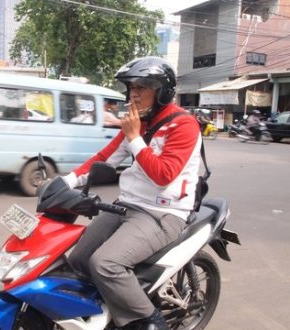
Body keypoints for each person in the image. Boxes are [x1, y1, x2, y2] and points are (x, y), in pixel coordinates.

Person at [63, 57, 202, 330]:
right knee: (79, 259)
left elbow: (164, 175)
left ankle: (149, 322)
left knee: (105, 263)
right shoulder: (138, 122)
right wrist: (66, 181)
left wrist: (135, 138)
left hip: (164, 212)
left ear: (162, 91)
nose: (134, 93)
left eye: (143, 86)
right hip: (127, 205)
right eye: (131, 87)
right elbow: (105, 159)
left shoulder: (183, 125)